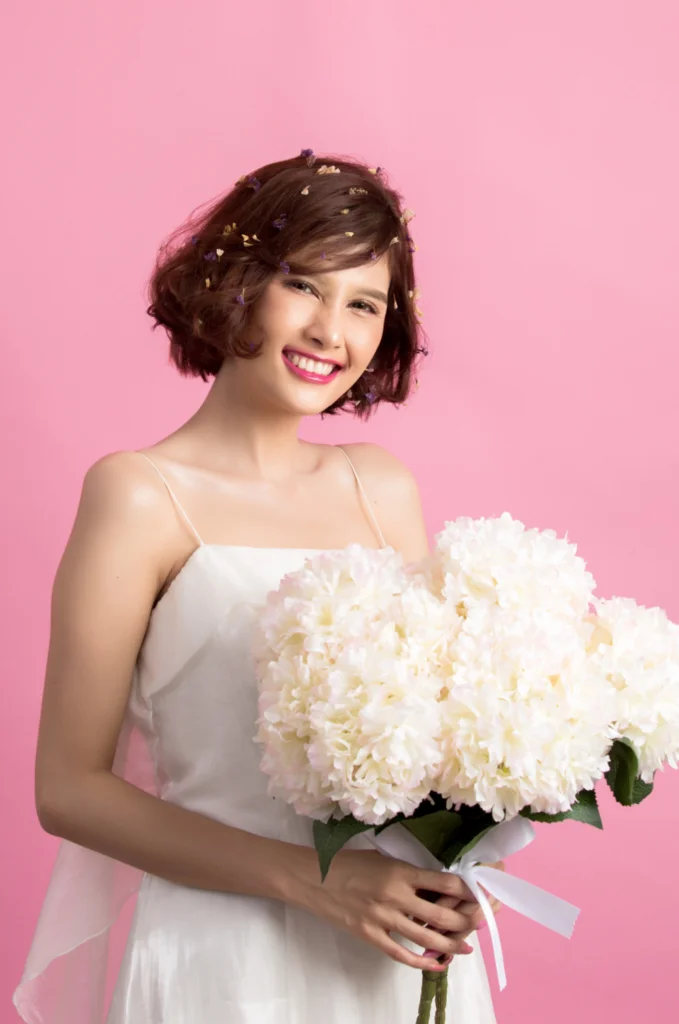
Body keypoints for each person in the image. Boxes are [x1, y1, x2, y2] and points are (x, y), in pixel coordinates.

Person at [13, 149, 500, 1023]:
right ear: (236, 281)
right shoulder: (137, 494)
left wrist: (466, 839)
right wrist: (316, 881)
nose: (331, 332)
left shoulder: (380, 485)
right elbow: (70, 788)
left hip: (390, 948)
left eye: (364, 304)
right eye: (304, 287)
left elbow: (426, 734)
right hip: (225, 955)